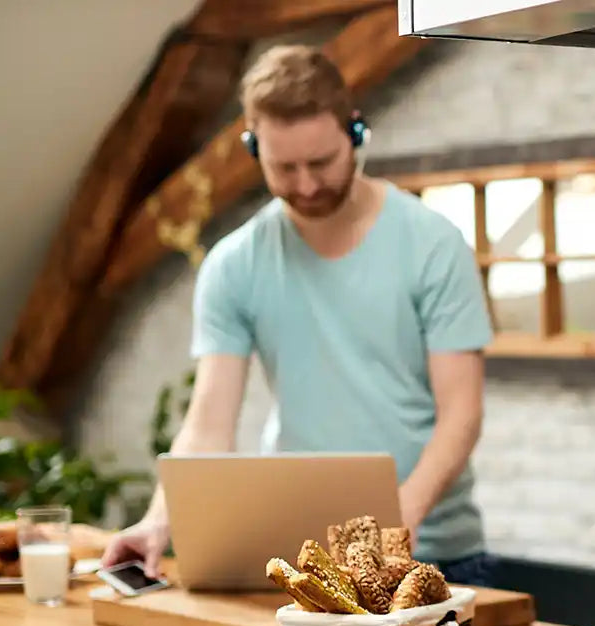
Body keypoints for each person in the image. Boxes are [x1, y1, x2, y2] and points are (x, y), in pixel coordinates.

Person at [101, 45, 501, 586]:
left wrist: (401, 516)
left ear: (355, 134)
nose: (307, 185)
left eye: (321, 162)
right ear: (252, 147)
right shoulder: (235, 265)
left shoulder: (432, 245)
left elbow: (462, 414)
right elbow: (208, 425)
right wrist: (156, 523)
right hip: (308, 562)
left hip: (436, 556)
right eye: (283, 168)